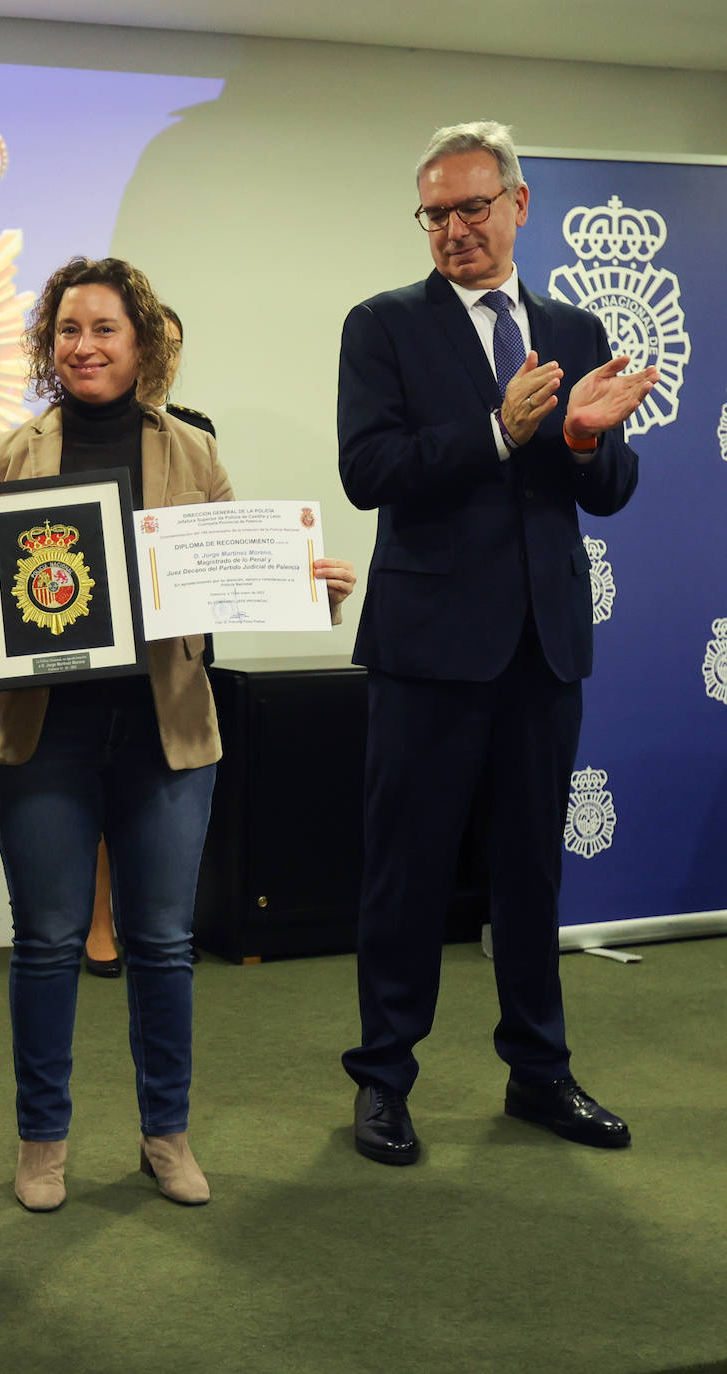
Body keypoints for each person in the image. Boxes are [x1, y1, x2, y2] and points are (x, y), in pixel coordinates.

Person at [0, 257, 355, 1211]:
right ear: (50, 345)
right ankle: (43, 1143)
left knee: (163, 943)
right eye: (68, 331)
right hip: (43, 736)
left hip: (164, 734)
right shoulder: (12, 452)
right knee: (46, 943)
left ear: (143, 344)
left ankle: (166, 1136)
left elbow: (225, 580)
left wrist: (307, 587)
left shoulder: (191, 453)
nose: (83, 347)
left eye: (104, 330)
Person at [337, 120, 657, 1166]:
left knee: (531, 872)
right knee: (407, 872)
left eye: (474, 208)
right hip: (428, 648)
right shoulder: (383, 325)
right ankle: (384, 1079)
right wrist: (496, 433)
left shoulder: (570, 321)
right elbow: (369, 470)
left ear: (519, 206)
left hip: (544, 645)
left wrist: (577, 436)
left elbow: (606, 492)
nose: (454, 230)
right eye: (435, 214)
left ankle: (539, 1070)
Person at [82, 303, 213, 979]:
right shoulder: (72, 434)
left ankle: (148, 923)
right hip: (93, 646)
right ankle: (99, 920)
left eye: (174, 348)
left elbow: (219, 538)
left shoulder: (198, 436)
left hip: (175, 648)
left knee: (158, 804)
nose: (164, 359)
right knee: (98, 802)